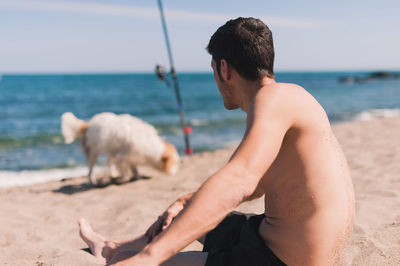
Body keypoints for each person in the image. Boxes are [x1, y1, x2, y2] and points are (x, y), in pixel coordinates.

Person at [79, 17, 355, 266]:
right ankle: (111, 249)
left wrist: (151, 258)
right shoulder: (292, 98)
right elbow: (257, 187)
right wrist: (187, 201)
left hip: (277, 259)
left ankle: (131, 256)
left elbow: (240, 180)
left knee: (144, 262)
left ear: (223, 68)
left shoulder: (271, 100)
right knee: (187, 207)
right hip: (284, 241)